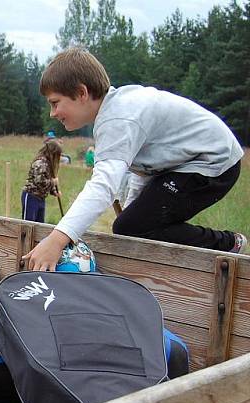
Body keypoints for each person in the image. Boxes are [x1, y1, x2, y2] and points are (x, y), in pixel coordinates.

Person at [24, 48, 246, 272]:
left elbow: (103, 187)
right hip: (185, 163)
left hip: (215, 162)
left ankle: (228, 244)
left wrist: (57, 239)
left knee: (131, 225)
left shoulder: (119, 118)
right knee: (131, 225)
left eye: (55, 102)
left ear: (81, 93)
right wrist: (132, 215)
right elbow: (145, 170)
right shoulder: (113, 114)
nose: (52, 113)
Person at [21, 139, 63, 223]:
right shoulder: (40, 163)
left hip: (41, 198)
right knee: (28, 223)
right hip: (31, 196)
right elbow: (39, 181)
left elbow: (47, 179)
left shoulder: (48, 163)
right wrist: (53, 182)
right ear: (52, 152)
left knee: (39, 224)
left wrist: (54, 191)